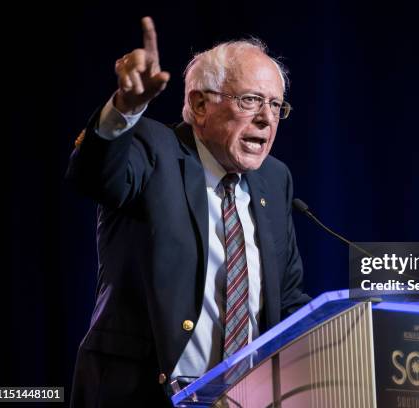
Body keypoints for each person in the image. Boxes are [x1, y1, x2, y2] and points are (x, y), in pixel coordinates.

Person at [67, 16, 310, 407]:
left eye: (275, 105)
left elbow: (288, 299)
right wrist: (124, 111)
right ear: (199, 104)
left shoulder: (274, 179)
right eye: (250, 100)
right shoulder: (153, 147)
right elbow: (91, 178)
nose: (266, 118)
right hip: (139, 394)